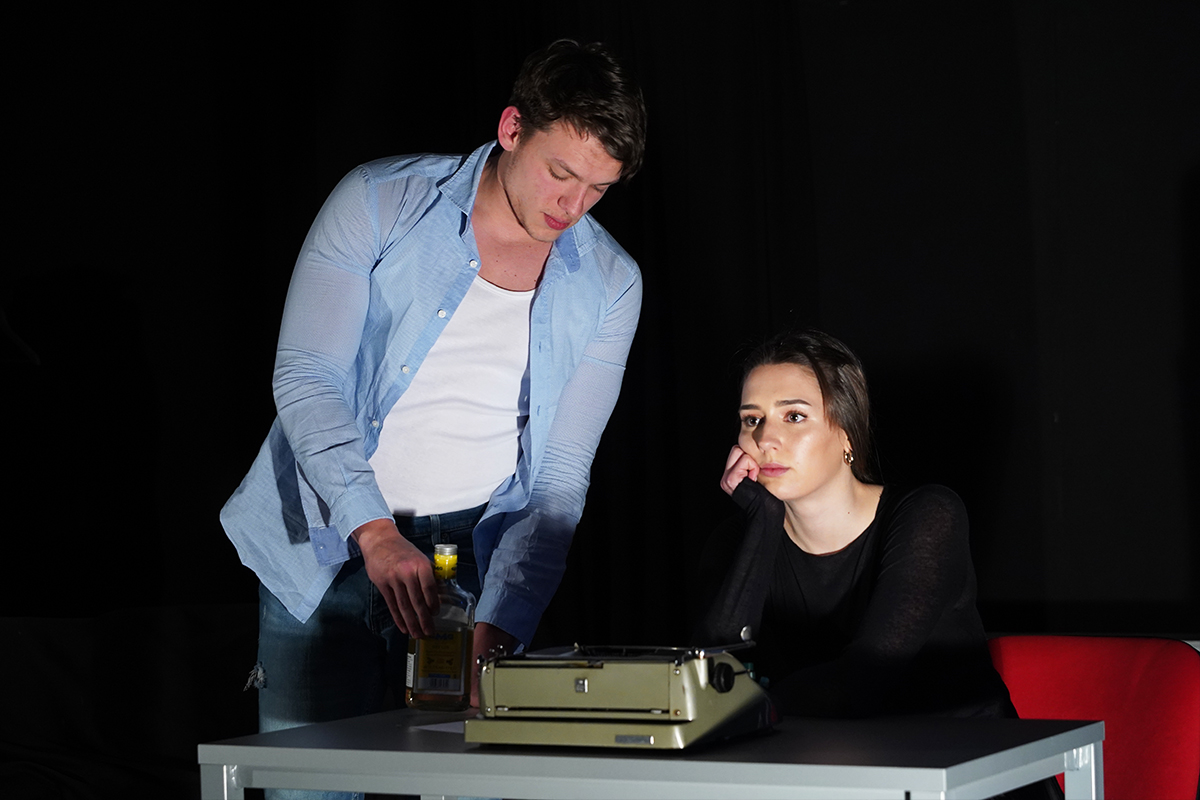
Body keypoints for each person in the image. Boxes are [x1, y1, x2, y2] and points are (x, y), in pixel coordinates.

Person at [220, 37, 647, 788]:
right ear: (511, 128)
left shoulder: (612, 283)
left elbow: (559, 475)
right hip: (328, 538)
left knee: (466, 783)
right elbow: (308, 377)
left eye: (598, 189)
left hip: (474, 559)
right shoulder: (380, 199)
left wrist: (502, 619)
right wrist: (374, 532)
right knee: (305, 783)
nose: (572, 207)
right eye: (560, 173)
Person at [693, 329, 1020, 720]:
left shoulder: (928, 516)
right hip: (822, 753)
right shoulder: (738, 539)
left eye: (794, 416)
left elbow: (863, 679)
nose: (764, 438)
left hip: (966, 752)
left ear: (847, 434)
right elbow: (708, 678)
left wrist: (750, 709)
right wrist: (762, 523)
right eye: (752, 419)